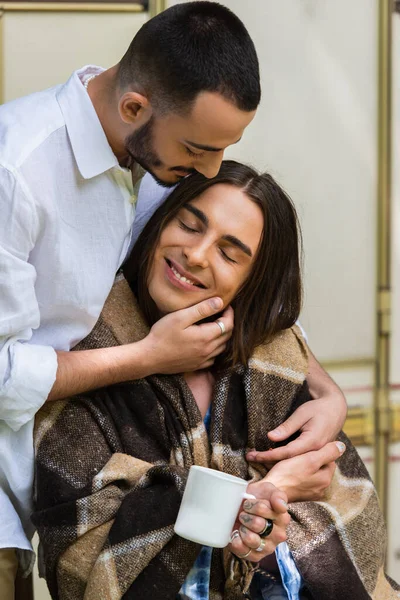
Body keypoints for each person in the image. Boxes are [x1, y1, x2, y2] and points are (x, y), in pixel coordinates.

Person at [0, 2, 345, 596]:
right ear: (135, 106)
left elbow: (248, 292)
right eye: (196, 148)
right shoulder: (17, 173)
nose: (209, 169)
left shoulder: (147, 160)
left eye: (223, 147)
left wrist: (326, 391)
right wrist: (148, 358)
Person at [33, 162, 397, 600]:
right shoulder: (84, 356)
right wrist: (261, 495)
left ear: (251, 282)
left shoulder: (276, 367)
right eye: (188, 225)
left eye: (229, 253)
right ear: (158, 223)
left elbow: (350, 528)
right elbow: (79, 556)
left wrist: (260, 539)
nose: (197, 254)